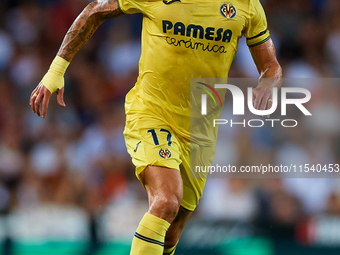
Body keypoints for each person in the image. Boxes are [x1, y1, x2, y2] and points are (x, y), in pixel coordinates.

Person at [29, 0, 282, 254]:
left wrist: (268, 85)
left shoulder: (246, 5)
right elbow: (95, 9)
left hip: (200, 131)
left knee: (173, 229)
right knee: (167, 200)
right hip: (152, 113)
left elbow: (270, 65)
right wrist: (56, 70)